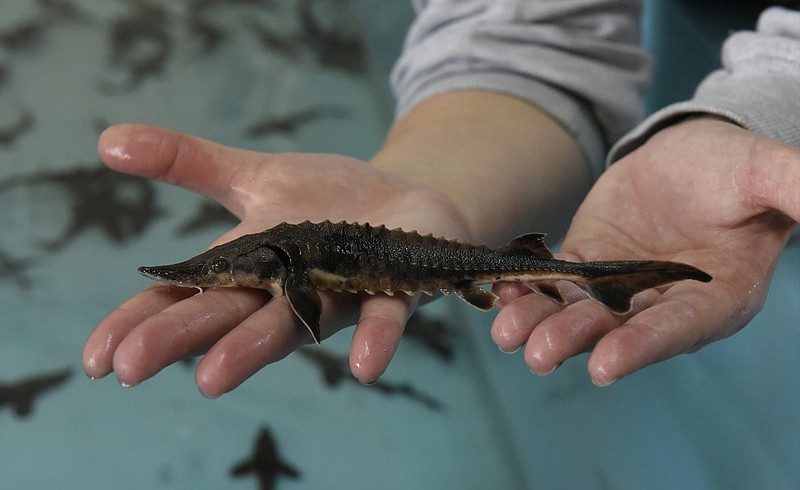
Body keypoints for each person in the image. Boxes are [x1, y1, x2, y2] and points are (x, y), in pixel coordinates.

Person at [82, 2, 798, 397]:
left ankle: (609, 283)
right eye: (211, 274)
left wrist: (772, 104)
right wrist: (440, 185)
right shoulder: (279, 261)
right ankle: (607, 284)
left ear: (269, 265)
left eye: (214, 272)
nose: (205, 277)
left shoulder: (288, 274)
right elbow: (522, 32)